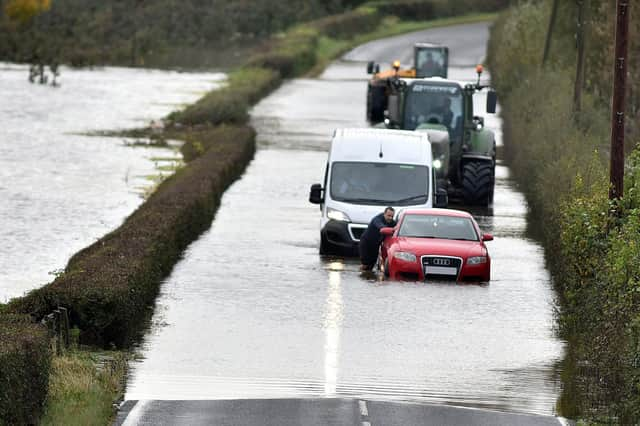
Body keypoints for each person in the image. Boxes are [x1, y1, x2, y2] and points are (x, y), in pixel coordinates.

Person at [359, 207, 396, 271]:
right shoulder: (377, 219)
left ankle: (368, 278)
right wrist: (392, 229)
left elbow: (398, 226)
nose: (390, 218)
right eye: (389, 216)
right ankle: (360, 276)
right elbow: (381, 227)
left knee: (371, 265)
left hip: (376, 245)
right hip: (366, 243)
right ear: (384, 214)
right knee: (365, 264)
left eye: (392, 216)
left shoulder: (392, 222)